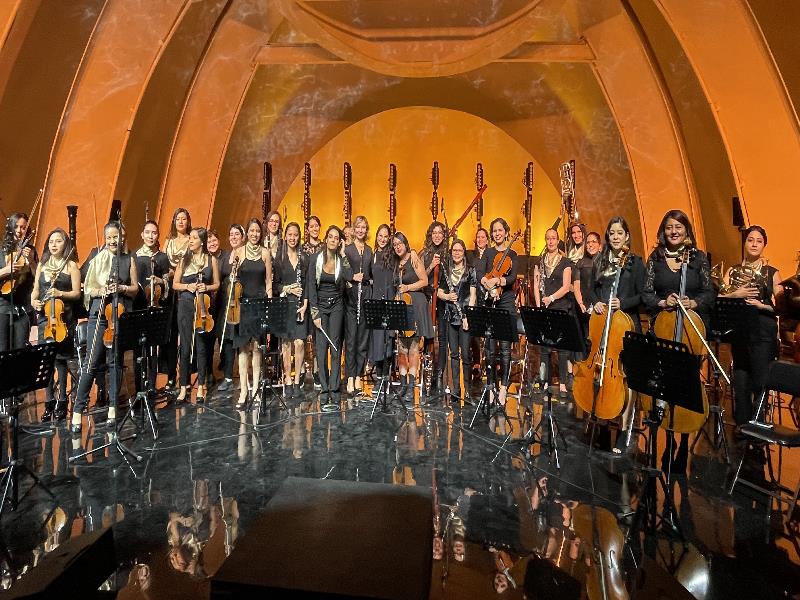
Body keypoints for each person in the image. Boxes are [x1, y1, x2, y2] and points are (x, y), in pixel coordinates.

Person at [642, 209, 715, 473]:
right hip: (662, 328)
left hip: (690, 330)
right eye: (670, 227)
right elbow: (647, 293)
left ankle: (684, 442)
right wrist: (662, 302)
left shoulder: (698, 259)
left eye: (679, 227)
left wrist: (693, 302)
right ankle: (668, 440)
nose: (674, 231)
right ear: (664, 230)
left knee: (686, 386)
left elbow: (710, 292)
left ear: (687, 231)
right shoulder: (656, 259)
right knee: (663, 386)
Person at [71, 221, 138, 433]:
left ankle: (112, 409)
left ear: (122, 237)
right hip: (98, 315)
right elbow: (87, 288)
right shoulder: (96, 257)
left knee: (114, 362)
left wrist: (122, 287)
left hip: (118, 314)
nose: (112, 241)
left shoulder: (129, 259)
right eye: (108, 237)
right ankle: (77, 411)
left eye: (115, 237)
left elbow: (135, 289)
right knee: (91, 362)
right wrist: (100, 290)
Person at [587, 217, 646, 451]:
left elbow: (643, 295)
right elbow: (591, 289)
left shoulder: (635, 262)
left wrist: (623, 302)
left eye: (620, 233)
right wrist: (597, 303)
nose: (615, 237)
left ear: (627, 236)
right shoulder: (600, 260)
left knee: (626, 379)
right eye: (612, 233)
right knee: (603, 373)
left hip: (627, 323)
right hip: (604, 326)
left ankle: (624, 428)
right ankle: (603, 420)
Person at [718, 225, 783, 427]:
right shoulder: (733, 270)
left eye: (759, 241)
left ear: (764, 245)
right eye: (750, 240)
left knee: (759, 382)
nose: (754, 244)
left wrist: (761, 305)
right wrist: (736, 294)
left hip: (763, 333)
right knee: (741, 382)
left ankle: (758, 429)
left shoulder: (772, 272)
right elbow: (720, 297)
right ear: (744, 243)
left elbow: (782, 307)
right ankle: (742, 426)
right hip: (740, 332)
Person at [31, 228, 81, 421]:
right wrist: (33, 302)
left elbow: (77, 293)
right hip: (45, 319)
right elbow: (35, 291)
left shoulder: (71, 266)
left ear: (65, 244)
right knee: (47, 362)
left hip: (63, 318)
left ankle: (62, 401)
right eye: (51, 241)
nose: (53, 244)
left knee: (61, 360)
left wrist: (60, 293)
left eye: (58, 241)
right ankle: (49, 401)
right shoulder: (43, 266)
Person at [172, 228, 220, 403]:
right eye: (190, 238)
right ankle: (183, 387)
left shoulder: (211, 260)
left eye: (193, 238)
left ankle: (200, 386)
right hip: (185, 305)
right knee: (185, 347)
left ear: (202, 241)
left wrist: (205, 288)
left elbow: (217, 284)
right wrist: (188, 287)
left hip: (202, 306)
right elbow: (175, 284)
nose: (190, 240)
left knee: (201, 346)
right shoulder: (183, 260)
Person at [307, 225, 351, 406]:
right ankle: (324, 388)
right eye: (330, 237)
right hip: (321, 306)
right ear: (326, 239)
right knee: (321, 348)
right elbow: (311, 286)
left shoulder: (341, 259)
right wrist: (315, 313)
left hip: (337, 306)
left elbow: (348, 275)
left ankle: (334, 387)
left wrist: (343, 253)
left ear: (339, 241)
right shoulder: (316, 259)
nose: (333, 240)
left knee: (335, 346)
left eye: (336, 238)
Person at [231, 219, 272, 409]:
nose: (255, 234)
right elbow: (233, 279)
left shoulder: (265, 253)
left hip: (259, 305)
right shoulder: (238, 252)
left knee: (256, 348)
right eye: (252, 231)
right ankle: (244, 391)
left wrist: (269, 307)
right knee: (242, 349)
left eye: (257, 231)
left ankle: (255, 388)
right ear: (247, 233)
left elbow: (269, 282)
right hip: (242, 305)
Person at [478, 218, 520, 406]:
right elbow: (480, 272)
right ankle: (492, 386)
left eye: (500, 230)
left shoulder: (513, 254)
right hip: (490, 300)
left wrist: (499, 281)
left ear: (506, 232)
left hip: (506, 302)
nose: (497, 234)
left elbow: (511, 277)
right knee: (490, 348)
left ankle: (503, 387)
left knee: (504, 348)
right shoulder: (487, 252)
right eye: (494, 231)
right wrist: (486, 282)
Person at [389, 231, 433, 403]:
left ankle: (412, 385)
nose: (397, 247)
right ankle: (403, 384)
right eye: (395, 245)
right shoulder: (396, 262)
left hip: (415, 303)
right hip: (401, 304)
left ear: (406, 244)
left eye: (400, 243)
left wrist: (407, 288)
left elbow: (424, 281)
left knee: (413, 346)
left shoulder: (413, 256)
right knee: (401, 346)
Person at [133, 220, 171, 393]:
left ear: (158, 235)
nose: (150, 236)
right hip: (139, 306)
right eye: (147, 232)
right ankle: (139, 386)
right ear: (142, 234)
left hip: (156, 306)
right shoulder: (134, 256)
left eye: (154, 233)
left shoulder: (162, 257)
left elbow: (167, 285)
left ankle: (152, 385)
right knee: (139, 349)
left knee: (154, 348)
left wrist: (160, 282)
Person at [533, 228, 572, 397]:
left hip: (560, 307)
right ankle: (545, 380)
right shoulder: (540, 262)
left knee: (562, 347)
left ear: (558, 240)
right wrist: (538, 304)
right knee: (545, 347)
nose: (550, 241)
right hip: (544, 308)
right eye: (548, 238)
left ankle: (563, 383)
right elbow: (536, 286)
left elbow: (565, 287)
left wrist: (551, 298)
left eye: (553, 238)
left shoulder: (565, 262)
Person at [436, 239, 477, 401]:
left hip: (465, 317)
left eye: (459, 250)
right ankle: (456, 390)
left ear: (464, 252)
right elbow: (439, 292)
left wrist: (469, 316)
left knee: (466, 355)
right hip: (450, 316)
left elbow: (473, 295)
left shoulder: (470, 271)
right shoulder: (447, 270)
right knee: (453, 354)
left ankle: (467, 389)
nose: (457, 253)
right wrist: (447, 296)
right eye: (454, 250)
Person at [274, 222, 308, 399]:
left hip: (300, 306)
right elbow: (275, 285)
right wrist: (288, 289)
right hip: (285, 305)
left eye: (296, 235)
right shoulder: (279, 259)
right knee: (286, 344)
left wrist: (306, 304)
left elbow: (308, 284)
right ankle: (287, 379)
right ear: (285, 236)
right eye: (290, 235)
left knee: (300, 343)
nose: (293, 238)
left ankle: (297, 382)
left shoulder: (304, 259)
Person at [162, 208, 192, 387]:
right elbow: (164, 265)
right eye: (178, 219)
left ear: (188, 221)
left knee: (186, 335)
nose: (181, 222)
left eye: (184, 219)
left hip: (185, 290)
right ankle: (171, 375)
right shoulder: (168, 242)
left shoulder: (192, 240)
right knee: (171, 335)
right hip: (169, 293)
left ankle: (185, 377)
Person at [343, 215, 373, 395]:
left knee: (363, 340)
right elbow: (342, 273)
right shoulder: (347, 250)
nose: (361, 230)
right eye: (358, 227)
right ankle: (349, 377)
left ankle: (358, 376)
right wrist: (352, 277)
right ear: (354, 229)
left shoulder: (369, 251)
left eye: (364, 227)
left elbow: (371, 274)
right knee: (352, 340)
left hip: (365, 297)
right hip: (351, 298)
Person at [0, 212, 37, 351]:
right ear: (10, 228)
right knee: (2, 349)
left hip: (22, 308)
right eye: (16, 227)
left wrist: (32, 261)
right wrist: (6, 270)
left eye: (22, 227)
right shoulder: (1, 250)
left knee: (20, 350)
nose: (19, 231)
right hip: (2, 307)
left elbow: (37, 277)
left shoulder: (30, 250)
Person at [215, 224, 245, 392]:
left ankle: (241, 376)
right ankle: (227, 376)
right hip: (226, 303)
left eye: (237, 234)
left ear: (242, 237)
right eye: (231, 234)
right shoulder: (225, 255)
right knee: (226, 340)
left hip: (240, 302)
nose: (234, 237)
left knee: (240, 341)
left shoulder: (246, 254)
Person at [420, 221, 448, 392]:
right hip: (428, 298)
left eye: (440, 233)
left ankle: (440, 373)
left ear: (444, 236)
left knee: (442, 339)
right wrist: (431, 265)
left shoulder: (447, 254)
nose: (437, 235)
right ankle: (426, 372)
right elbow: (421, 276)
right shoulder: (425, 253)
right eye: (434, 232)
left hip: (443, 299)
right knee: (428, 337)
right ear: (430, 235)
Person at [369, 224, 394, 384]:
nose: (383, 239)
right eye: (380, 236)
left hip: (389, 299)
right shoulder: (373, 255)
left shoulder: (392, 254)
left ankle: (387, 376)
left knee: (388, 338)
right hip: (376, 300)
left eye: (386, 236)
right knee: (377, 339)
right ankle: (379, 378)